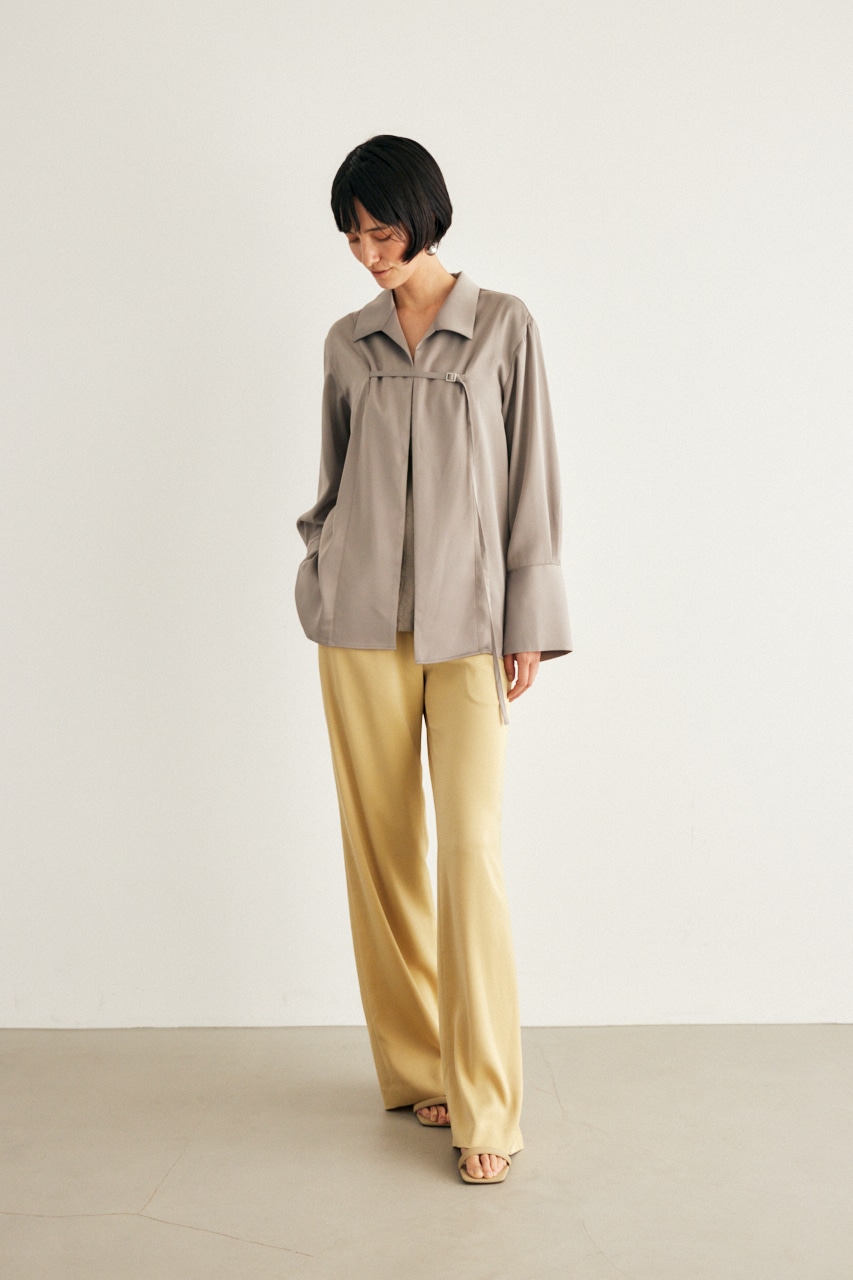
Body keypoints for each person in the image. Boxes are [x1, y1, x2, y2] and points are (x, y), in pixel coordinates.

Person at [294, 134, 572, 1185]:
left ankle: (487, 1101)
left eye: (383, 232)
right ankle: (419, 1069)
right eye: (352, 237)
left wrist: (528, 617)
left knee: (470, 854)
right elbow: (330, 481)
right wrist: (321, 569)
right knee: (381, 857)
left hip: (468, 631)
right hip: (358, 630)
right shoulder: (346, 342)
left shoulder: (503, 326)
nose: (369, 254)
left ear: (425, 217)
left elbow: (531, 478)